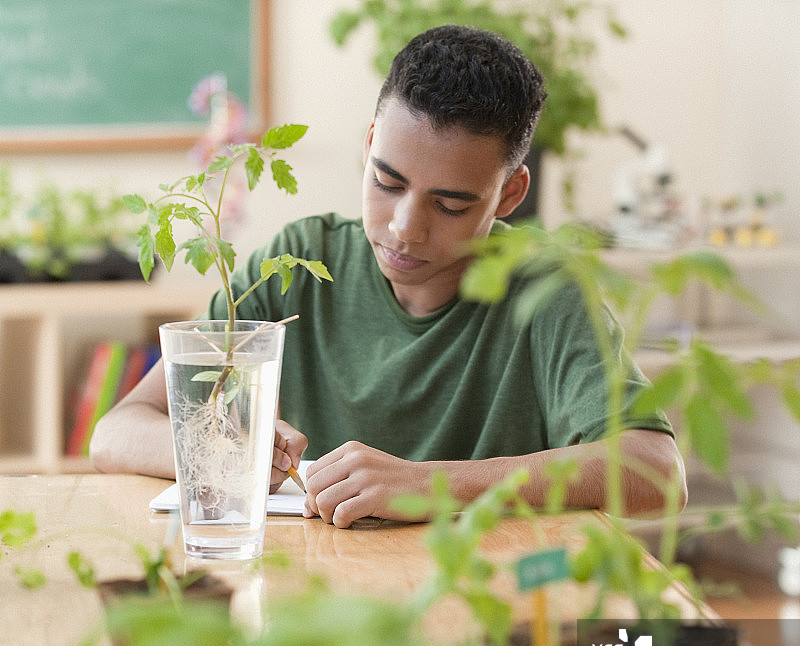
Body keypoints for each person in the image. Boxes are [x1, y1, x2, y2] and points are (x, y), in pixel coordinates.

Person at [91, 25, 687, 528]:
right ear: (371, 142)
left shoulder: (544, 290)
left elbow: (657, 471)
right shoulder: (298, 261)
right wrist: (230, 453)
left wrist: (433, 485)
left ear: (509, 195)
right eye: (387, 182)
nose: (405, 228)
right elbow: (116, 432)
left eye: (450, 206)